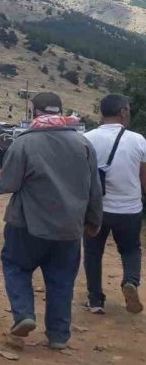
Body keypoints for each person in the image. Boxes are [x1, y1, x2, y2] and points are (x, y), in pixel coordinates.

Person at [0, 92, 102, 350]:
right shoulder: (83, 144)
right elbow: (94, 188)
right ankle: (59, 336)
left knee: (15, 267)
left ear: (34, 112)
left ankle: (24, 315)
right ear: (60, 111)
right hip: (69, 230)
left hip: (26, 226)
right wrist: (94, 220)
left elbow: (8, 183)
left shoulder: (24, 142)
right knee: (62, 281)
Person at [82, 94, 146, 315]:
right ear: (123, 112)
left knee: (93, 252)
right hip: (130, 209)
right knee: (130, 250)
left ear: (102, 112)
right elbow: (144, 177)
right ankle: (130, 281)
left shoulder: (87, 138)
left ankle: (95, 300)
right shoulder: (138, 140)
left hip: (96, 209)